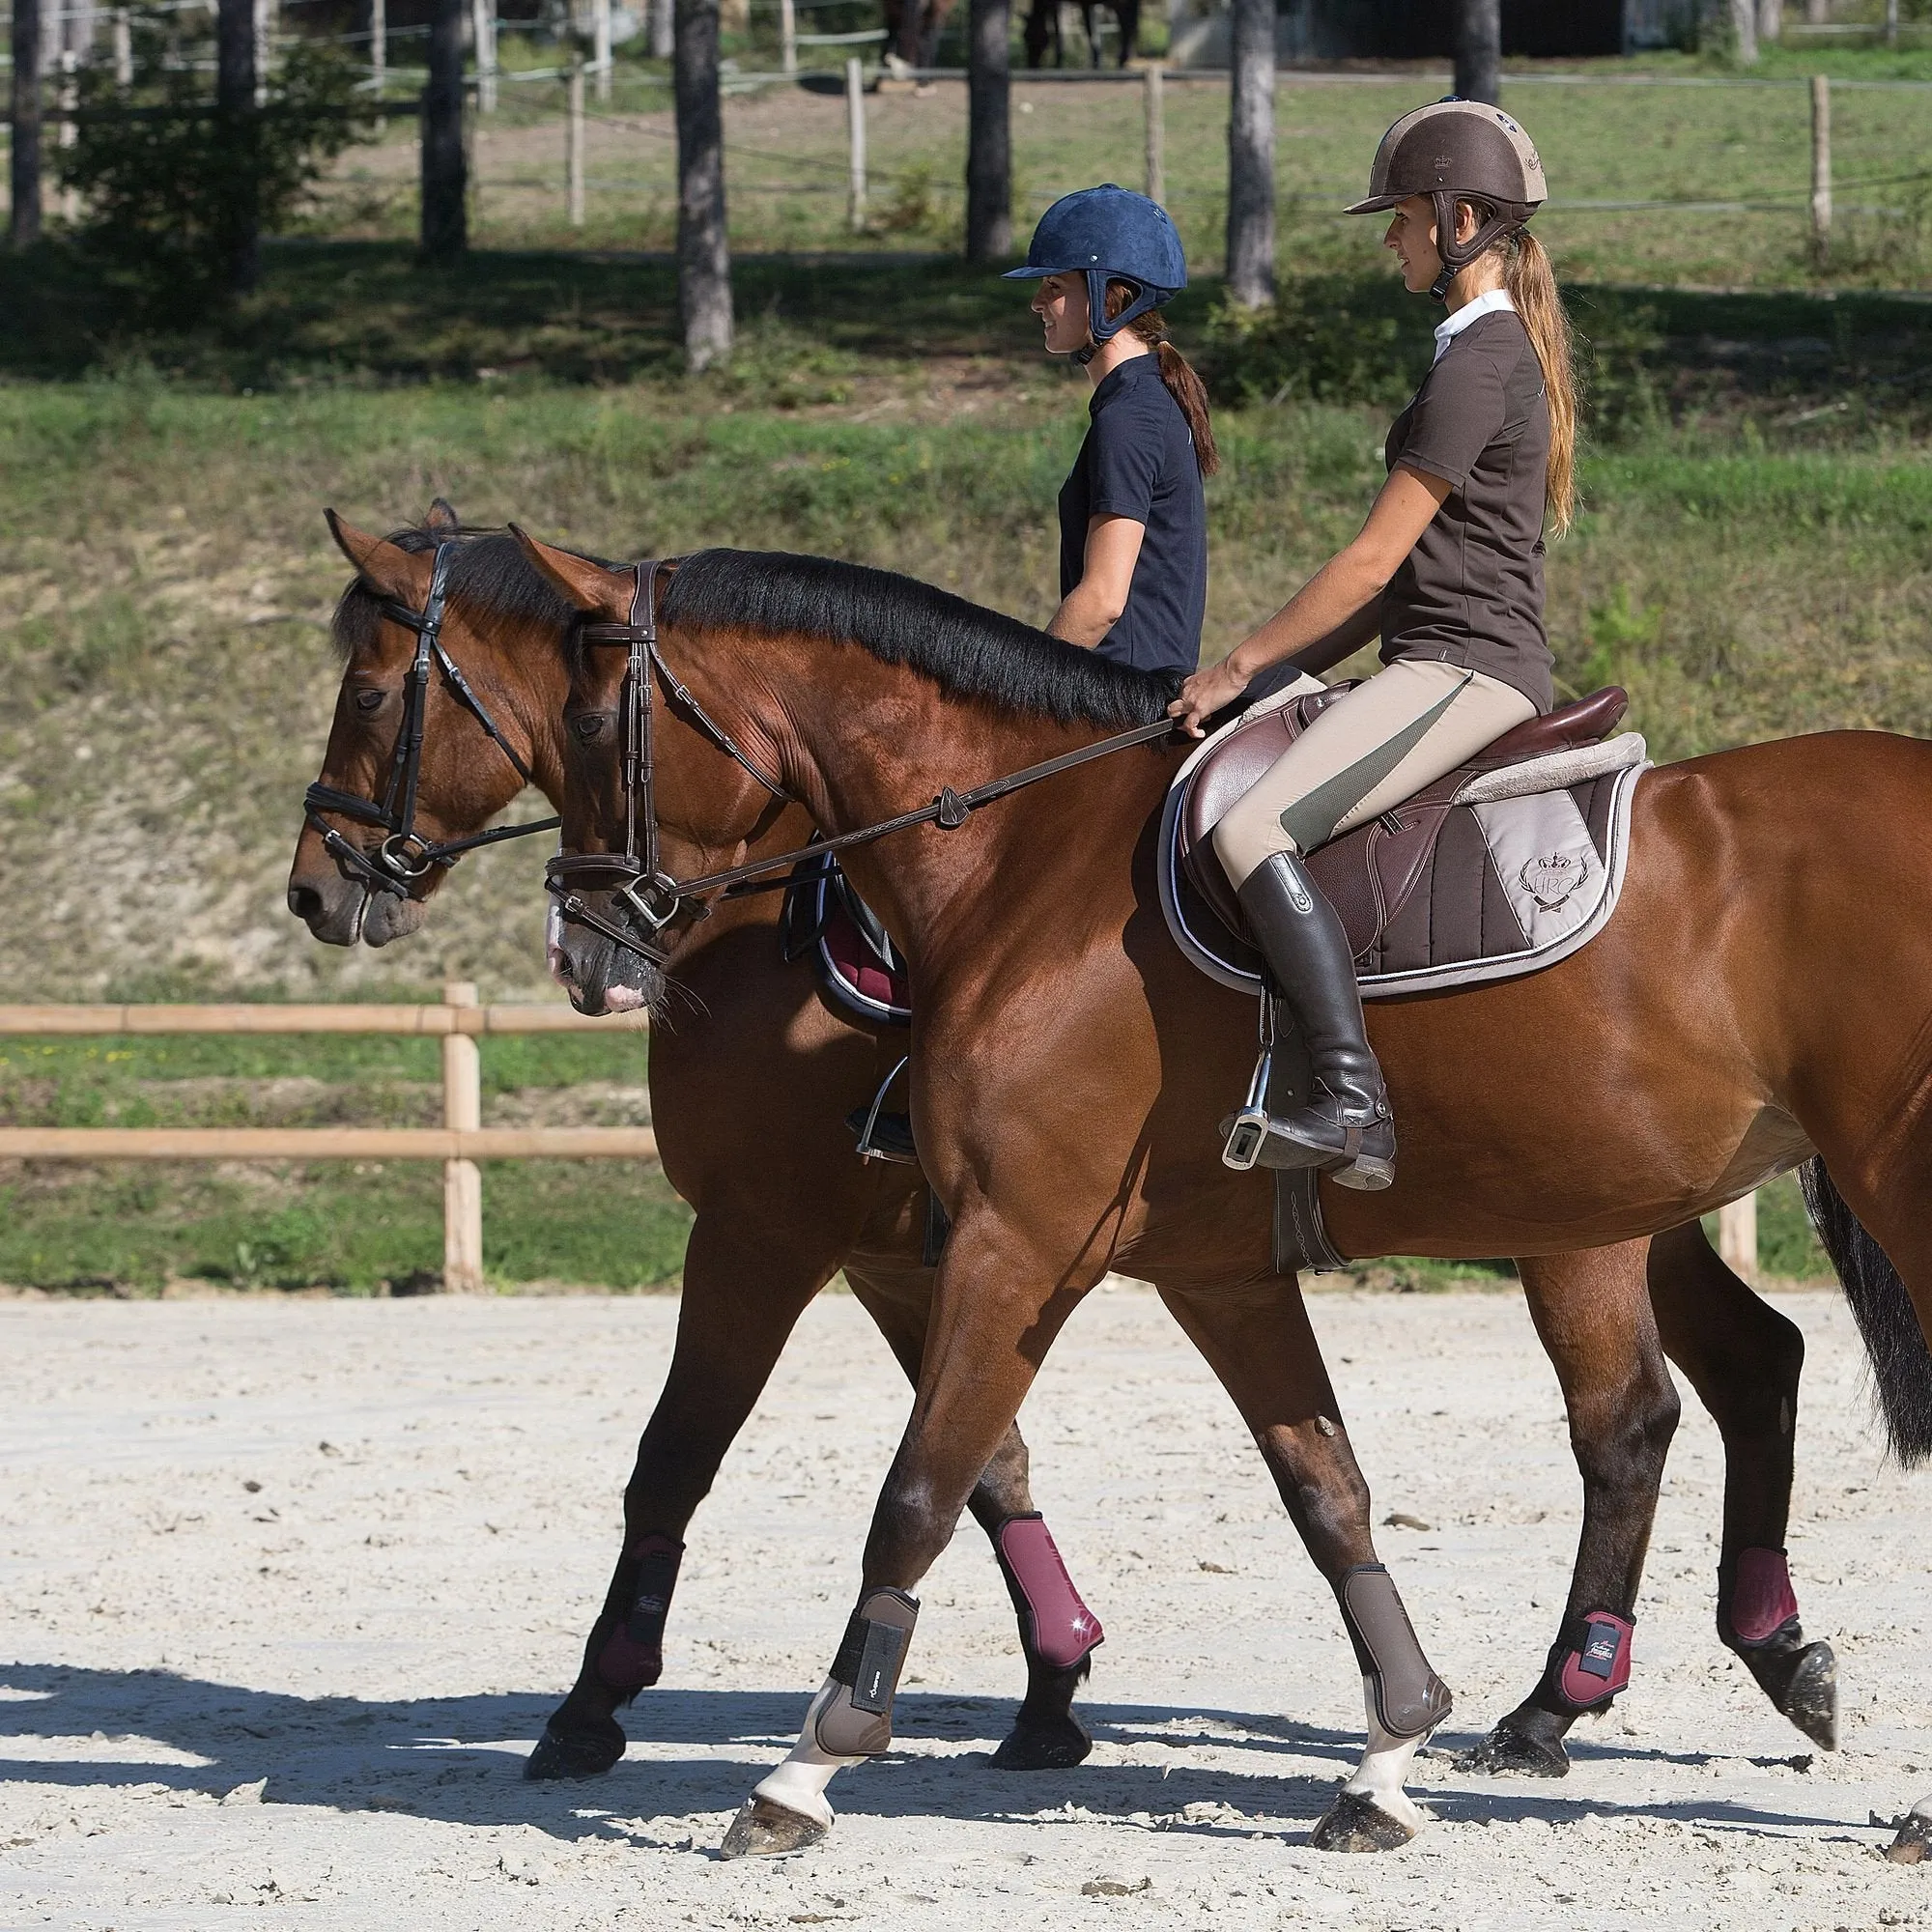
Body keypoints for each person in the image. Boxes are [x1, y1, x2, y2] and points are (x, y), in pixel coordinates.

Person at [1167, 99, 1578, 1191]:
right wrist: (1271, 680)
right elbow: (1392, 582)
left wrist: (1233, 665)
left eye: (1398, 218)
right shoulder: (1473, 354)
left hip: (1466, 668)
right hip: (1430, 650)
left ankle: (1350, 1098)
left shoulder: (1475, 363)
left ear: (1455, 220)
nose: (1387, 238)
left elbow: (1364, 561)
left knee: (1251, 826)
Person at [1006, 185, 1219, 681]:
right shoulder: (1145, 399)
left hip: (1116, 698)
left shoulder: (1129, 418)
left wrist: (1016, 687)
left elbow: (1102, 600)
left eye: (1054, 287)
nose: (1037, 302)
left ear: (1110, 298)